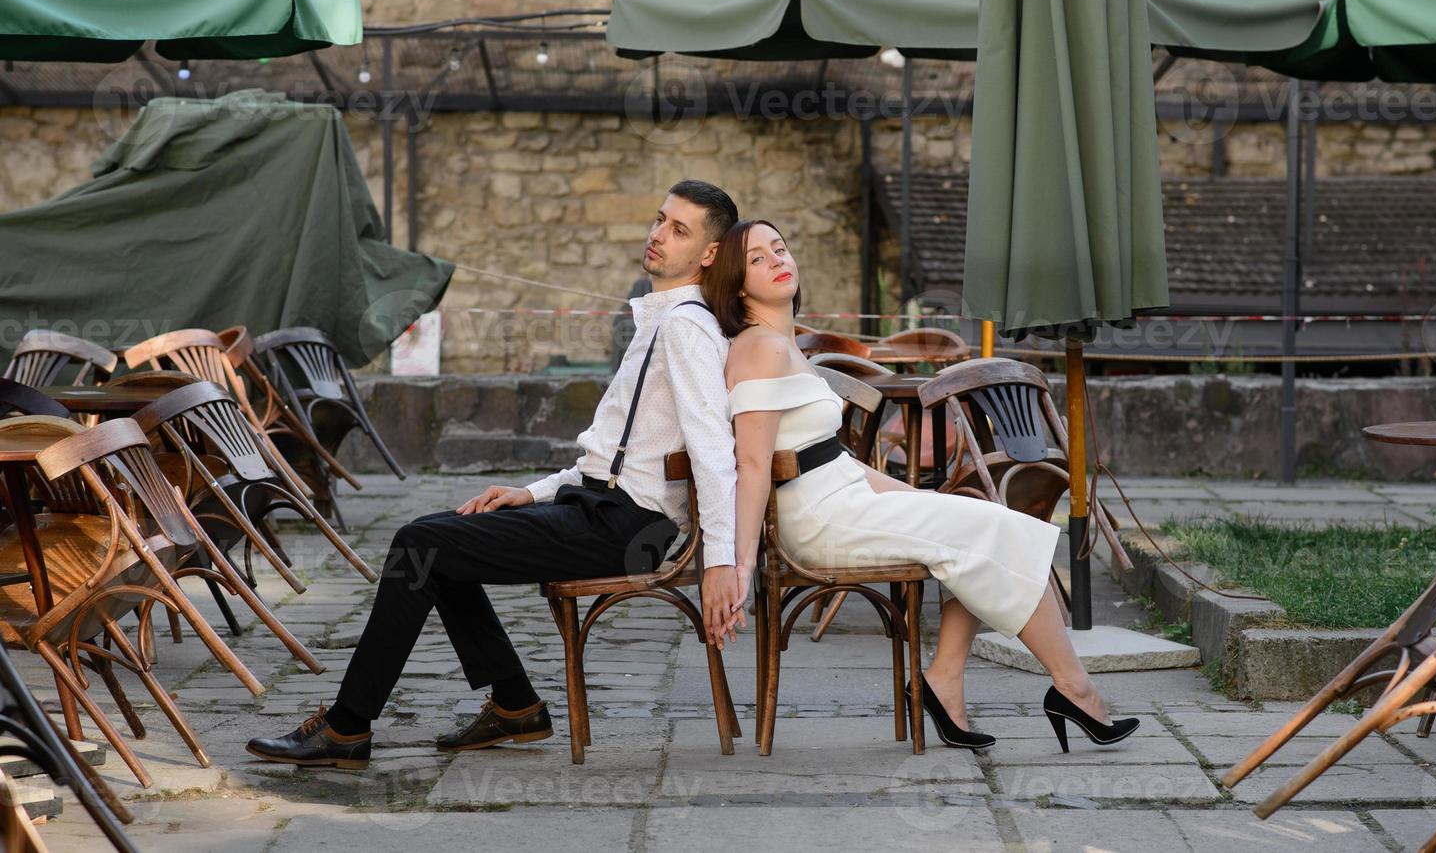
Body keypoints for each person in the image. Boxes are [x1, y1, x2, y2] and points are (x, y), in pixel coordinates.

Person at [246, 181, 743, 769]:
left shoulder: (684, 328)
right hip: (602, 508)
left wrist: (721, 565)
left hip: (629, 530)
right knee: (450, 532)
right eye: (660, 219)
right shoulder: (662, 322)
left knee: (419, 544)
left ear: (709, 254)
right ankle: (514, 705)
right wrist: (528, 492)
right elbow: (612, 457)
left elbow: (713, 452)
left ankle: (348, 726)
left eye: (679, 230)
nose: (658, 234)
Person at [703, 219, 1139, 753]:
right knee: (985, 529)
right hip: (817, 519)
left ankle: (944, 682)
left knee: (983, 520)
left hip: (841, 498)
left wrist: (917, 497)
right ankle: (1075, 690)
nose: (777, 259)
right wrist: (738, 564)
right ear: (737, 282)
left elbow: (831, 458)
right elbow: (751, 463)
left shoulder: (782, 345)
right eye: (757, 258)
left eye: (780, 247)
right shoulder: (759, 348)